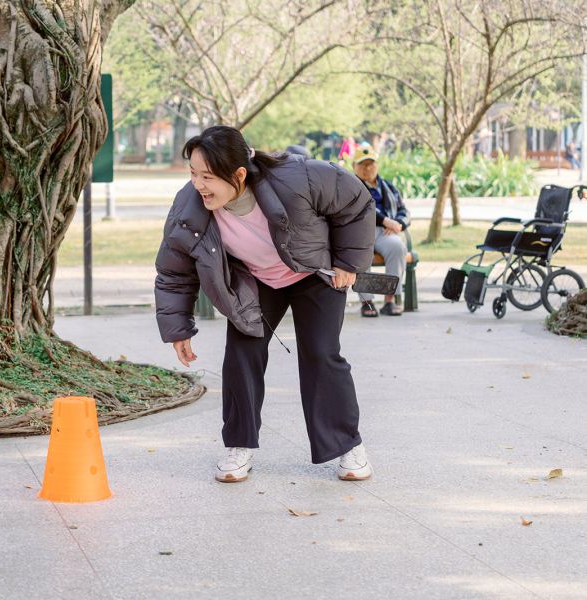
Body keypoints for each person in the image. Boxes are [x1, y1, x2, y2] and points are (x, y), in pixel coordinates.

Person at [154, 125, 375, 484]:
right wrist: (178, 328)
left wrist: (348, 262)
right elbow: (174, 270)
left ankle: (348, 446)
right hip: (256, 281)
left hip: (312, 275)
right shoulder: (190, 206)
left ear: (239, 174)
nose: (198, 184)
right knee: (242, 354)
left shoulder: (296, 176)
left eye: (207, 176)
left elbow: (354, 201)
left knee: (321, 354)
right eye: (193, 173)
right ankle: (238, 445)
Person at [352, 146, 410, 317]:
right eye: (362, 165)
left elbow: (404, 211)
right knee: (361, 253)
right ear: (354, 166)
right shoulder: (352, 186)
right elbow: (362, 209)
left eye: (370, 164)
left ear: (376, 165)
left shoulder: (388, 187)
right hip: (360, 232)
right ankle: (367, 302)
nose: (367, 168)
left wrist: (398, 223)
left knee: (397, 247)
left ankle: (389, 301)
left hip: (386, 233)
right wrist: (386, 221)